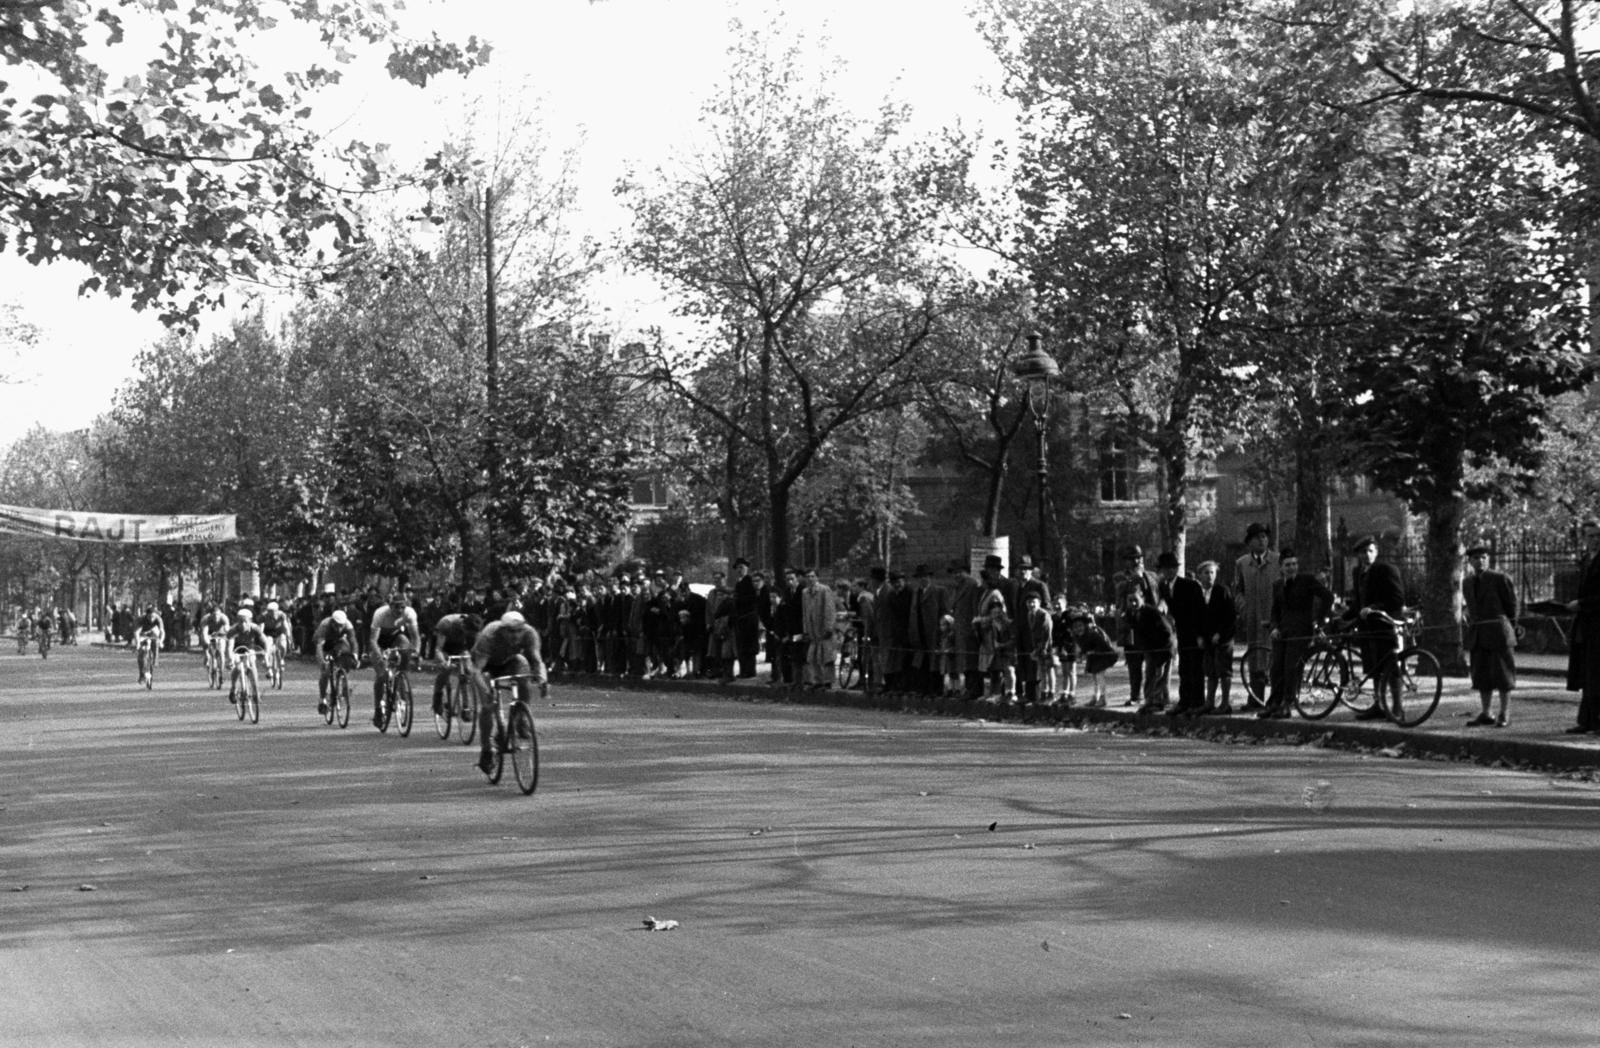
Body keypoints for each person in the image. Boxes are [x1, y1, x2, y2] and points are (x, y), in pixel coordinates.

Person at [470, 609, 548, 776]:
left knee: (523, 669)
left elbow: (537, 659)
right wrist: (485, 691)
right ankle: (486, 749)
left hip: (509, 661)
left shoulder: (529, 633)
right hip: (486, 666)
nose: (515, 635)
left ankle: (520, 720)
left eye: (519, 630)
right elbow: (476, 671)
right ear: (502, 629)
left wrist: (542, 679)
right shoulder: (489, 635)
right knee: (488, 705)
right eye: (511, 631)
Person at [1343, 535, 1405, 721]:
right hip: (1367, 628)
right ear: (1358, 555)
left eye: (1371, 551)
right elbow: (1359, 602)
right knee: (1374, 668)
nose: (1367, 555)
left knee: (1391, 668)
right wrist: (1343, 617)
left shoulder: (1386, 569)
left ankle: (1397, 708)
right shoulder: (1358, 572)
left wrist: (1374, 608)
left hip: (1385, 626)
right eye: (1363, 552)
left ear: (1376, 552)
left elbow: (1397, 598)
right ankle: (1378, 705)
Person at [1266, 550, 1334, 718]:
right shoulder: (1277, 584)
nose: (1292, 568)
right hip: (1281, 631)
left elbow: (1328, 597)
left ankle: (1287, 704)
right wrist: (1274, 627)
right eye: (1288, 565)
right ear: (1281, 567)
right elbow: (1275, 610)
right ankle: (1273, 704)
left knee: (1291, 667)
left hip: (1301, 630)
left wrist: (1318, 620)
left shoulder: (1307, 580)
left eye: (1294, 564)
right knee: (1276, 668)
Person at [1462, 543, 1518, 727]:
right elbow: (1471, 606)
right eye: (1476, 558)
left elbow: (1512, 605)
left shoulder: (1499, 578)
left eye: (1484, 557)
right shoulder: (1467, 581)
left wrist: (1510, 626)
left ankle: (1504, 714)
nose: (1480, 561)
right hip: (1478, 635)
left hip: (1498, 633)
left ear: (1489, 559)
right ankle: (1486, 713)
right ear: (1470, 561)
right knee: (1481, 676)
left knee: (1503, 676)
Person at [1231, 522, 1279, 708]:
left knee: (1275, 657)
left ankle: (1277, 699)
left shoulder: (1277, 559)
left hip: (1274, 618)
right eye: (1257, 537)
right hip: (1253, 618)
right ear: (1249, 542)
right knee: (1255, 657)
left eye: (1264, 537)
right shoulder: (1242, 563)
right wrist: (1244, 609)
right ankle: (1256, 698)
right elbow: (1238, 591)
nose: (1262, 540)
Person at [1158, 552, 1207, 715]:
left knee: (1196, 668)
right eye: (1166, 568)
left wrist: (1200, 634)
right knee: (1184, 668)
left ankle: (1198, 702)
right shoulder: (1164, 587)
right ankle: (1185, 701)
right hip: (1182, 633)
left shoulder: (1190, 585)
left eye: (1172, 568)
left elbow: (1200, 611)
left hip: (1195, 632)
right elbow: (1172, 609)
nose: (1169, 571)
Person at [1115, 545, 1162, 706]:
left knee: (1152, 664)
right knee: (1134, 664)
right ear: (1125, 561)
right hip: (1132, 625)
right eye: (1132, 558)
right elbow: (1122, 590)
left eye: (1138, 557)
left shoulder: (1152, 575)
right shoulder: (1121, 577)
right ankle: (1135, 695)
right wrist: (1136, 577)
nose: (1136, 561)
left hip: (1150, 624)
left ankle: (1154, 696)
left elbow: (1157, 594)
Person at [368, 590, 421, 728]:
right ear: (390, 606)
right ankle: (378, 710)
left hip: (396, 638)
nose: (399, 610)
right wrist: (380, 657)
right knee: (382, 675)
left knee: (405, 644)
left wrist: (416, 653)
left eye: (402, 607)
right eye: (396, 607)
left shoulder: (410, 613)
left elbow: (415, 638)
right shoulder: (380, 614)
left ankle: (402, 679)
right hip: (380, 641)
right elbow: (373, 640)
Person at [1567, 519, 1600, 734]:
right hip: (1587, 625)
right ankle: (1587, 720)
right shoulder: (1586, 560)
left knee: (1597, 673)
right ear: (1584, 538)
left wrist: (1582, 604)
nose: (1596, 540)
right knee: (1588, 674)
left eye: (1598, 536)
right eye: (1591, 536)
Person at [1122, 582, 1174, 713]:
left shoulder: (1152, 612)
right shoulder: (1129, 614)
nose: (1133, 603)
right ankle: (1149, 701)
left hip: (1162, 648)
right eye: (1130, 600)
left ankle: (1157, 702)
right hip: (1148, 649)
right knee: (1150, 674)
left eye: (1136, 600)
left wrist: (1161, 649)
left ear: (1142, 598)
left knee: (1159, 675)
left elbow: (1167, 631)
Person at [313, 607, 359, 712]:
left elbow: (353, 642)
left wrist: (355, 657)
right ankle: (322, 699)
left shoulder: (348, 625)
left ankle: (343, 682)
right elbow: (320, 646)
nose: (339, 628)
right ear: (332, 622)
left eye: (341, 626)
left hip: (339, 641)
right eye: (336, 625)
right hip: (325, 643)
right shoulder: (325, 625)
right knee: (325, 672)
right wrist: (322, 661)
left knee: (346, 652)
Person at [801, 567, 839, 688]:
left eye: (812, 576)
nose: (810, 579)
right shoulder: (805, 592)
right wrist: (806, 629)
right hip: (813, 629)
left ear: (817, 577)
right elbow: (805, 611)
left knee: (827, 656)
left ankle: (828, 681)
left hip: (823, 628)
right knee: (813, 656)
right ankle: (817, 680)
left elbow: (829, 610)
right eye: (808, 577)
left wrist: (829, 627)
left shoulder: (824, 590)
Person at [224, 607, 270, 701]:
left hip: (249, 646)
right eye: (240, 621)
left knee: (252, 663)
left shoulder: (255, 628)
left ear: (250, 621)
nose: (242, 624)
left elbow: (266, 643)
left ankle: (255, 691)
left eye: (245, 621)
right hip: (235, 648)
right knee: (238, 666)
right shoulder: (233, 630)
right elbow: (230, 647)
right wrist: (230, 659)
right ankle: (233, 689)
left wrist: (266, 657)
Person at [1016, 590, 1053, 704]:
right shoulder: (1029, 614)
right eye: (1028, 602)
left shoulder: (1043, 614)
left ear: (1039, 602)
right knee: (1041, 670)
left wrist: (1041, 648)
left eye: (1033, 602)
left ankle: (1051, 693)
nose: (1031, 605)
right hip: (1037, 647)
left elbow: (1047, 633)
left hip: (1046, 646)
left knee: (1048, 669)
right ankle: (1043, 692)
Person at [730, 558, 762, 679]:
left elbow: (751, 598)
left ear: (747, 568)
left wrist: (736, 599)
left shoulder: (749, 581)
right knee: (742, 645)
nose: (739, 570)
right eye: (737, 568)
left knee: (749, 645)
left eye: (741, 567)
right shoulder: (739, 582)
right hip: (741, 618)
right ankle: (744, 670)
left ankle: (750, 671)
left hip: (748, 617)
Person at [132, 604, 165, 684]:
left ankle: (155, 660)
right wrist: (138, 643)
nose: (151, 619)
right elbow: (136, 632)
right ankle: (142, 674)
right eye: (149, 617)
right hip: (142, 632)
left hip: (153, 631)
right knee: (141, 652)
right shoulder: (141, 619)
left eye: (153, 617)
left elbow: (162, 631)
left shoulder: (158, 619)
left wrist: (161, 641)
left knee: (156, 641)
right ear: (146, 615)